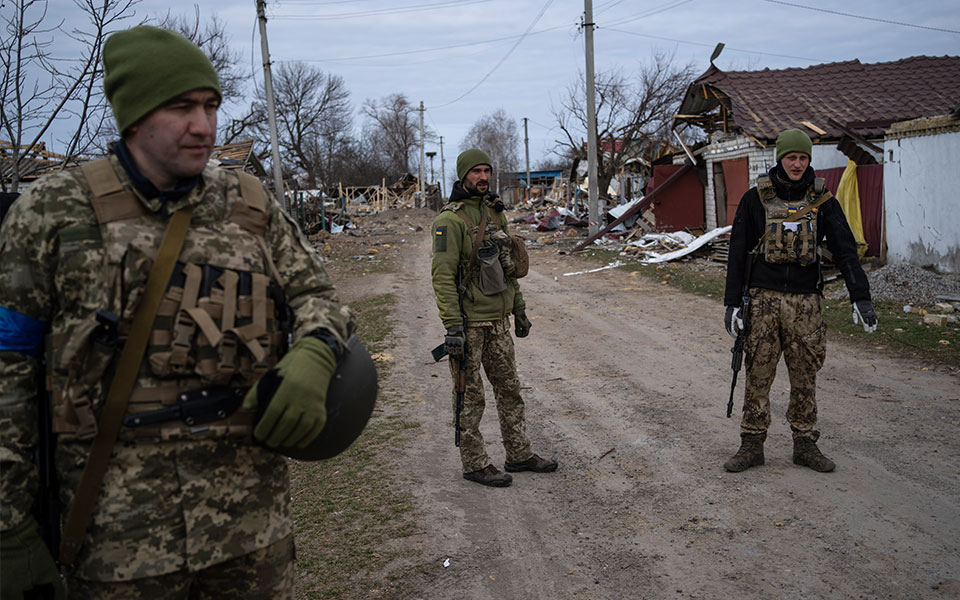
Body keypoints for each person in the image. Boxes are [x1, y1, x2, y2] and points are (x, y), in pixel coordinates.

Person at [0, 26, 354, 597]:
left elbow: (319, 296)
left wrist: (316, 350)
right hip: (118, 541)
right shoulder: (51, 214)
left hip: (252, 529)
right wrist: (8, 527)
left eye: (211, 105)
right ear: (135, 115)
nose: (204, 124)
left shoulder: (250, 204)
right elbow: (9, 370)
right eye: (182, 106)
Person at [723, 128, 878, 474]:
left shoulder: (824, 201)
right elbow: (737, 252)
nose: (797, 163)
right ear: (780, 158)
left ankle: (805, 443)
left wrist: (861, 298)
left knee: (805, 375)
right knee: (758, 373)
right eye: (791, 157)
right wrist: (732, 302)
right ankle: (751, 443)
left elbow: (846, 250)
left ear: (809, 159)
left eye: (803, 157)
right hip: (762, 301)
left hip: (807, 303)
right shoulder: (754, 200)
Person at [431, 149, 557, 487]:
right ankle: (474, 464)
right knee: (470, 398)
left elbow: (509, 269)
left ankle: (518, 453)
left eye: (487, 170)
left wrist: (519, 310)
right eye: (476, 172)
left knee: (510, 390)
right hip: (469, 325)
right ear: (463, 176)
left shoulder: (495, 212)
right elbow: (442, 277)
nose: (483, 177)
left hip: (499, 321)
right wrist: (452, 326)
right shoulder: (449, 221)